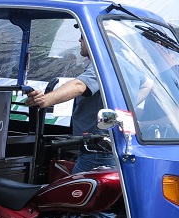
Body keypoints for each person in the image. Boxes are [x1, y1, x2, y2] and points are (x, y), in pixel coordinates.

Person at [24, 33, 114, 172]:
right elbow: (146, 85)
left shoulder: (103, 64)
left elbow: (78, 86)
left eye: (83, 36)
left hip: (97, 150)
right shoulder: (124, 63)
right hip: (112, 146)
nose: (79, 39)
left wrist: (44, 100)